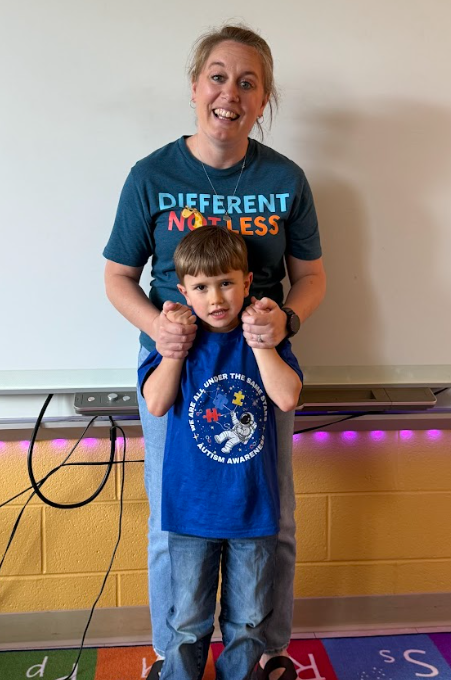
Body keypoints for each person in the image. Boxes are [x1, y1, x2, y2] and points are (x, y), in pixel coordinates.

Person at [103, 23, 326, 680]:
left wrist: (283, 320)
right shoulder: (151, 175)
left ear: (263, 100)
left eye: (248, 82)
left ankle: (257, 659)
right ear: (196, 86)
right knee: (177, 528)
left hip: (259, 371)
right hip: (177, 375)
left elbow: (311, 278)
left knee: (270, 523)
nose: (230, 93)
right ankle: (177, 659)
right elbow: (117, 277)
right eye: (219, 77)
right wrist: (159, 328)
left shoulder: (284, 178)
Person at [138, 226, 303, 680]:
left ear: (248, 283)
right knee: (187, 624)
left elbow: (288, 397)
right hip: (190, 512)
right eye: (201, 287)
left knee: (248, 623)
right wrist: (174, 349)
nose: (216, 298)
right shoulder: (176, 344)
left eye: (226, 283)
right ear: (183, 292)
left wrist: (263, 344)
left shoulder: (266, 338)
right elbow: (155, 403)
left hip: (253, 510)